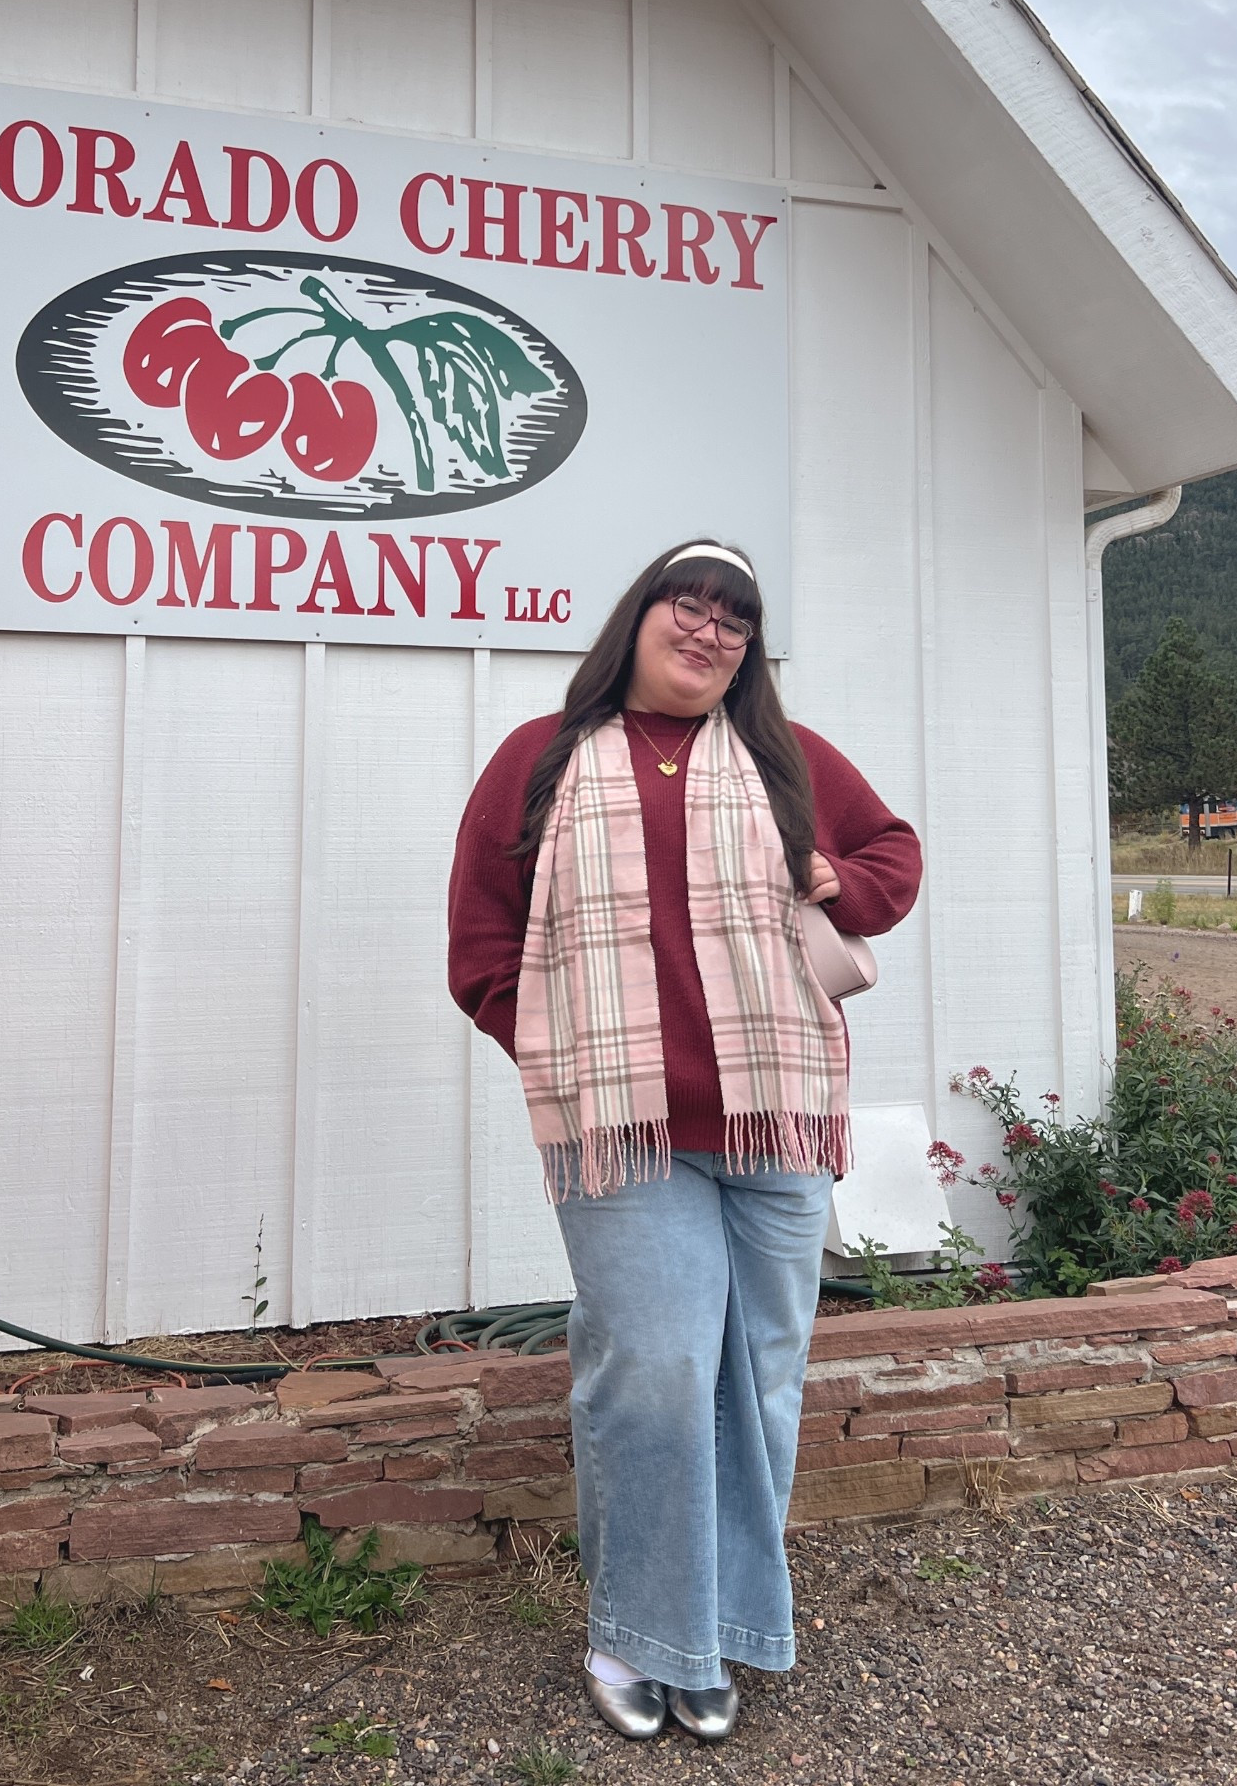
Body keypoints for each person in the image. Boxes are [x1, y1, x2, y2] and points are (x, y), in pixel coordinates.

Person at [447, 540, 922, 1743]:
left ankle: (717, 1627)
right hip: (627, 1135)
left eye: (735, 620)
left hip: (774, 1122)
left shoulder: (784, 760)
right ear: (640, 618)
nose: (709, 631)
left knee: (757, 1374)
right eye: (689, 605)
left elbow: (892, 858)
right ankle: (640, 1633)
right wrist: (558, 1043)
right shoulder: (543, 761)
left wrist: (835, 883)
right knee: (654, 1370)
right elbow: (481, 943)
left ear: (747, 649)